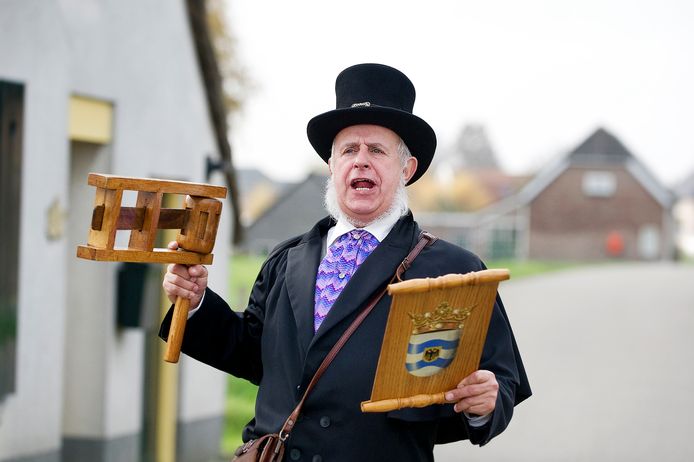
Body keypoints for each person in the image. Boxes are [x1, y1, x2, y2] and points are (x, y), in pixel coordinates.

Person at [160, 63, 531, 461]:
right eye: (349, 150)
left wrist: (487, 401)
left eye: (377, 150)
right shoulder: (286, 259)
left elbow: (500, 379)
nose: (361, 161)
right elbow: (255, 356)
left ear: (406, 169)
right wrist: (197, 302)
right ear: (332, 166)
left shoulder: (457, 270)